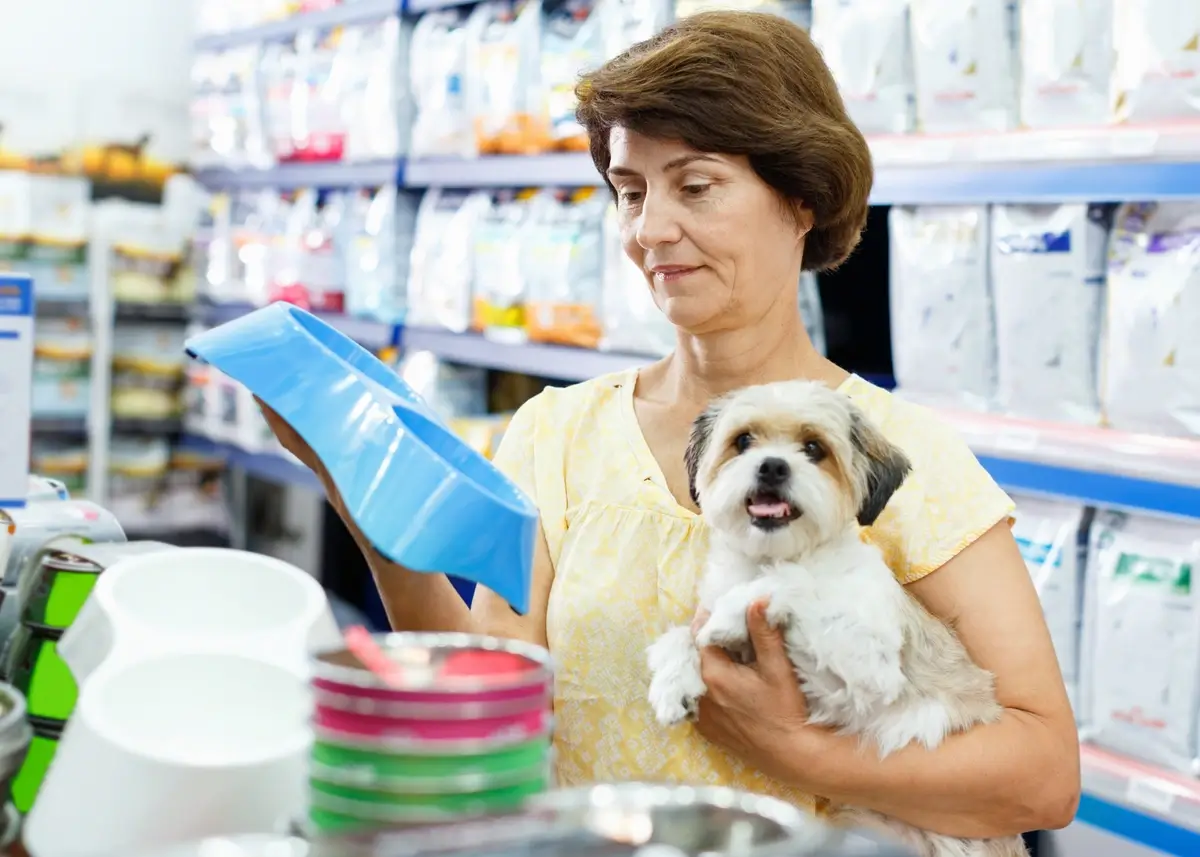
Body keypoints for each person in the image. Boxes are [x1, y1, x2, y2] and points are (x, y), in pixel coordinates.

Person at [263, 9, 1080, 841]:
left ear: (801, 198)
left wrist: (799, 751)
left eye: (695, 186)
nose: (651, 229)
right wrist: (367, 501)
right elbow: (492, 707)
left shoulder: (896, 454)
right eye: (630, 192)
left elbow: (1044, 775)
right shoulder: (558, 433)